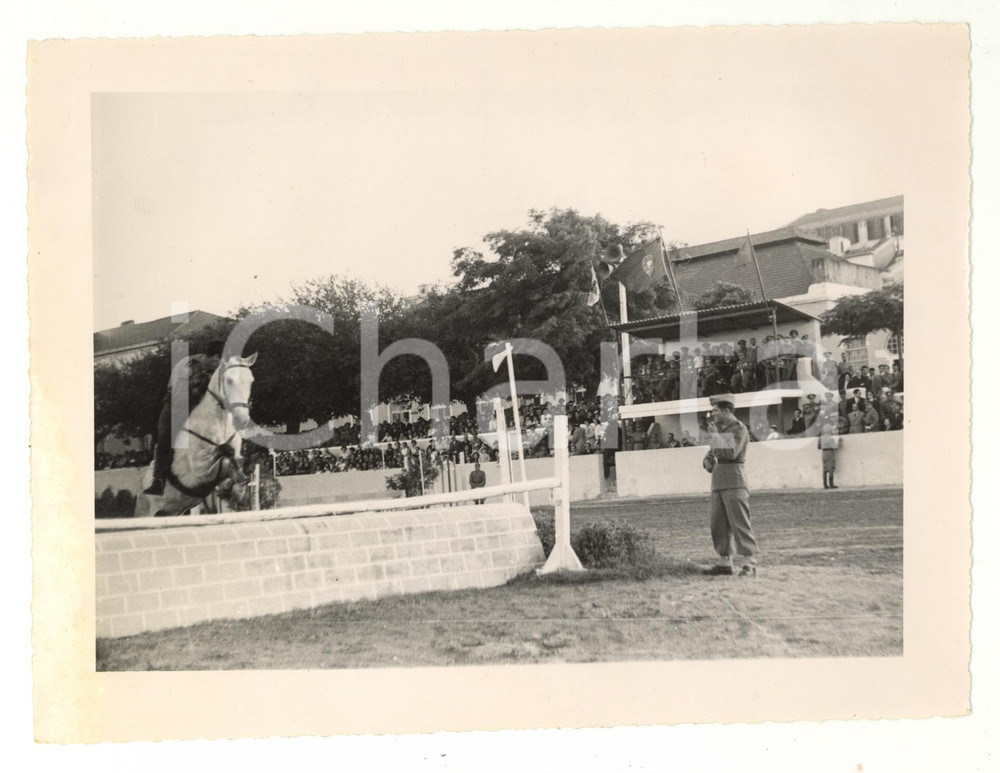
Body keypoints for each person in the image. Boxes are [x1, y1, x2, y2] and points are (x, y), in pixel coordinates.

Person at [143, 338, 225, 495]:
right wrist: (199, 387)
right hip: (176, 408)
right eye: (221, 361)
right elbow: (179, 395)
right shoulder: (185, 365)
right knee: (166, 439)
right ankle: (158, 481)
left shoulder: (216, 370)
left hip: (199, 410)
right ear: (215, 358)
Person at [701, 393, 759, 577]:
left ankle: (750, 563)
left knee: (740, 522)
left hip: (734, 480)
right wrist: (708, 461)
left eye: (716, 410)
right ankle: (725, 562)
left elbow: (732, 452)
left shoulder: (739, 429)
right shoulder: (720, 430)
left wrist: (715, 436)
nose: (713, 414)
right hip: (718, 480)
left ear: (727, 410)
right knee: (718, 524)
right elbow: (714, 453)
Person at [817, 423, 841, 489]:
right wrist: (839, 442)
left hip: (824, 453)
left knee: (824, 469)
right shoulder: (831, 438)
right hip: (830, 452)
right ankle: (831, 484)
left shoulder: (821, 438)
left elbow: (818, 447)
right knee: (831, 469)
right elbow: (835, 447)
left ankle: (825, 484)